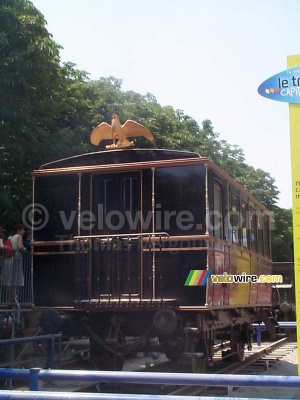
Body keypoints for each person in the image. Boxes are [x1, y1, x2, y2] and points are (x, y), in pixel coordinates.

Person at [1, 224, 25, 293]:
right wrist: (24, 249)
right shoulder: (19, 237)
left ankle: (9, 299)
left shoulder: (9, 237)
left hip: (8, 259)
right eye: (23, 230)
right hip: (16, 259)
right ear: (18, 230)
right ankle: (14, 300)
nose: (24, 231)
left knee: (8, 280)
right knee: (16, 279)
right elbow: (19, 247)